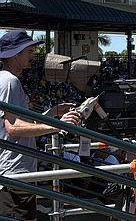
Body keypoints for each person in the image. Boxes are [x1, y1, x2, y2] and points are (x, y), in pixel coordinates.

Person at [0, 30, 81, 220]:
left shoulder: (6, 79)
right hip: (15, 174)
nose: (32, 55)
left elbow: (17, 124)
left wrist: (51, 114)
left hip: (14, 173)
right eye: (28, 51)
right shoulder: (9, 81)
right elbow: (13, 127)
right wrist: (57, 126)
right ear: (14, 54)